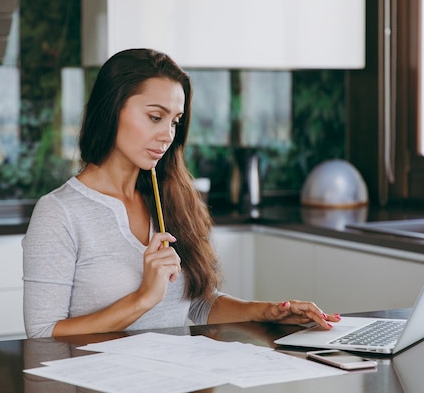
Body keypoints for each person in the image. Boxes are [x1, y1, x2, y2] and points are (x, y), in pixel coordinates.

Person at [22, 48, 340, 338]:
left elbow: (197, 306)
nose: (167, 135)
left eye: (175, 121)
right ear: (112, 109)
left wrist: (267, 312)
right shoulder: (59, 212)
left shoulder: (172, 198)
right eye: (155, 117)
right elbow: (42, 333)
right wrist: (143, 298)